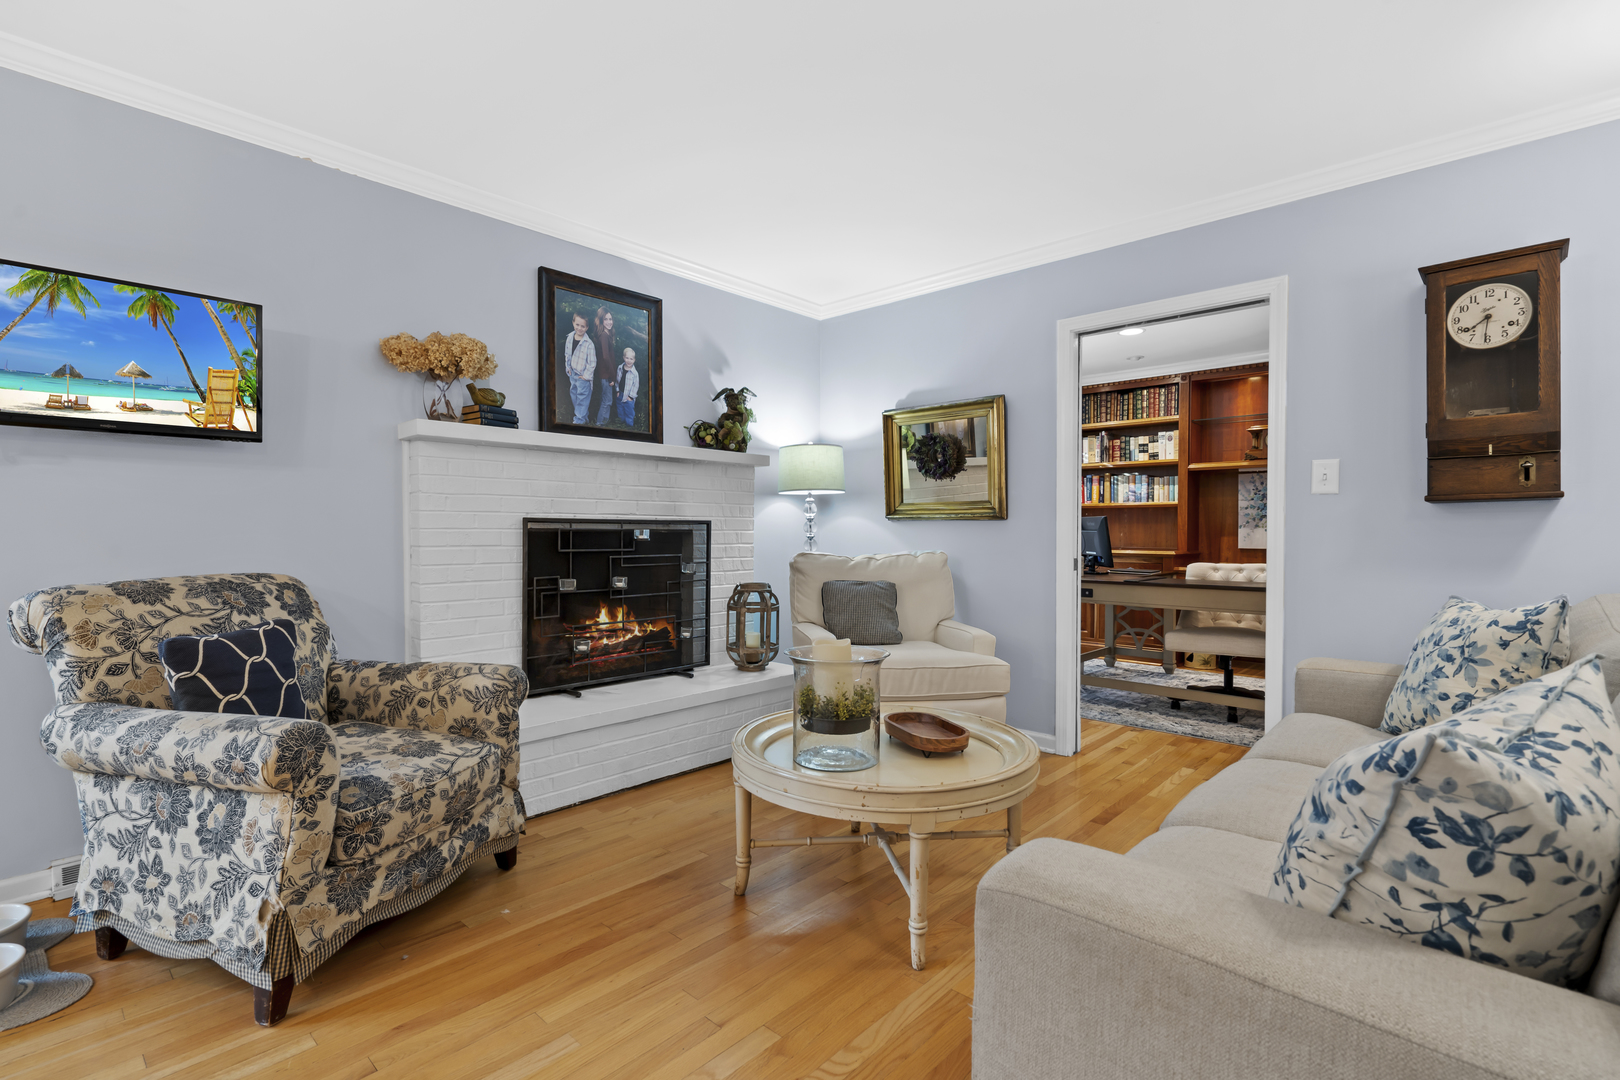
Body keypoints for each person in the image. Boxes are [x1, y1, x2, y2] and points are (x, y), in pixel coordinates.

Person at [562, 311, 595, 424]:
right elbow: (567, 354)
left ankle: (578, 421)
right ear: (573, 323)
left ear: (587, 327)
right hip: (573, 373)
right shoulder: (570, 337)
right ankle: (584, 418)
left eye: (583, 326)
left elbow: (592, 363)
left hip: (583, 376)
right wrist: (568, 368)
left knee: (582, 398)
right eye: (577, 325)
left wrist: (585, 376)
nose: (579, 328)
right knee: (574, 396)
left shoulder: (589, 344)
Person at [592, 307, 617, 425]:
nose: (609, 322)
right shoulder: (604, 336)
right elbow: (606, 357)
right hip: (606, 375)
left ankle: (601, 425)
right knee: (607, 402)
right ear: (601, 321)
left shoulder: (607, 335)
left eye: (610, 319)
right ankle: (600, 426)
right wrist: (612, 376)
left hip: (607, 375)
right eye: (606, 319)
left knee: (606, 401)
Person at [614, 348, 639, 426]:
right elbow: (617, 380)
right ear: (624, 357)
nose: (629, 360)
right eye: (627, 358)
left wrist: (631, 397)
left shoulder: (634, 373)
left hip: (629, 396)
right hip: (620, 393)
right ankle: (621, 424)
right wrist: (617, 390)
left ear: (634, 360)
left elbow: (636, 385)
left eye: (631, 359)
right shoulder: (620, 368)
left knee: (629, 411)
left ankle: (629, 426)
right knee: (620, 409)